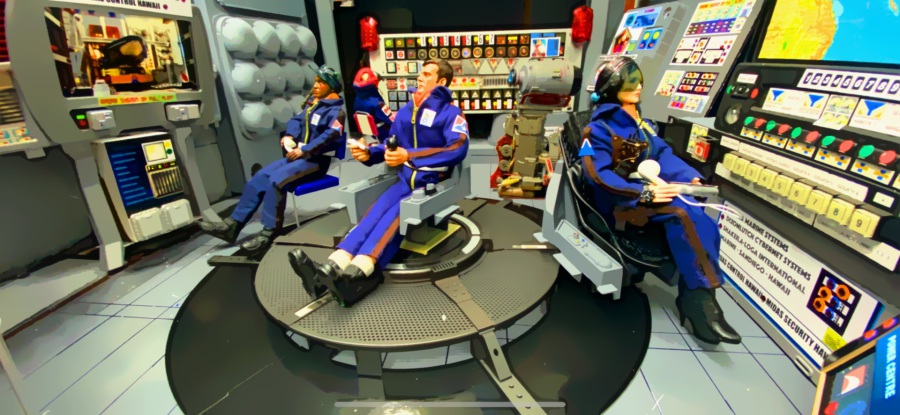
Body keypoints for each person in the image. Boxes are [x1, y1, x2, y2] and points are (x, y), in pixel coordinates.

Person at [583, 56, 741, 345]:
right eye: (629, 81)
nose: (638, 86)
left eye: (639, 80)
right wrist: (642, 193)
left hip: (646, 193)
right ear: (612, 88)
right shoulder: (597, 131)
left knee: (699, 217)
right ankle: (698, 302)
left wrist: (689, 178)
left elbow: (663, 155)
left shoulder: (642, 125)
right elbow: (598, 176)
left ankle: (701, 294)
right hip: (619, 203)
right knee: (683, 213)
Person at [287, 60, 469, 307]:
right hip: (404, 179)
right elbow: (391, 143)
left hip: (431, 181)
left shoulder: (451, 114)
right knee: (373, 215)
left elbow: (457, 147)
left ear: (442, 82)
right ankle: (331, 267)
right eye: (421, 73)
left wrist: (409, 155)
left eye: (427, 74)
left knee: (392, 219)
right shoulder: (407, 110)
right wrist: (369, 153)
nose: (420, 77)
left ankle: (358, 273)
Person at [198, 66, 346, 257]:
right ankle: (232, 226)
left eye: (321, 82)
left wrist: (305, 150)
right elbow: (297, 121)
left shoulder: (336, 112)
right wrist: (289, 136)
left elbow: (330, 136)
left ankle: (269, 232)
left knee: (277, 181)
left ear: (331, 86)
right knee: (259, 178)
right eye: (316, 81)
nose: (315, 85)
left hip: (315, 161)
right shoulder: (314, 104)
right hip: (297, 156)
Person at [352, 55, 394, 139]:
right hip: (382, 134)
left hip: (369, 135)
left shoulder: (357, 100)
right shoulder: (377, 103)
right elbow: (391, 120)